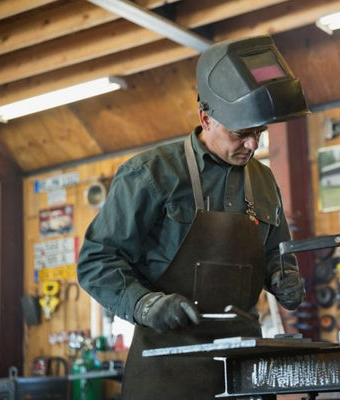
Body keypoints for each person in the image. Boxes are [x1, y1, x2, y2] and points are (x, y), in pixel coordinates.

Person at [77, 35, 309, 399]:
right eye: (241, 134)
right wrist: (145, 303)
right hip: (166, 369)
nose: (252, 146)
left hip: (245, 369)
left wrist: (284, 276)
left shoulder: (263, 181)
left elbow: (276, 256)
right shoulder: (151, 174)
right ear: (206, 118)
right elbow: (96, 262)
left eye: (259, 134)